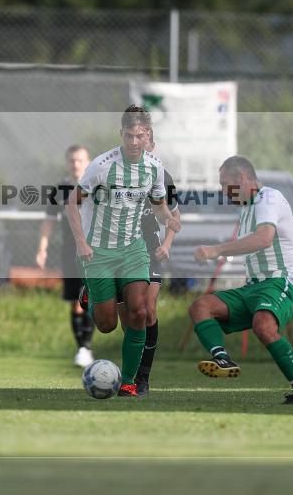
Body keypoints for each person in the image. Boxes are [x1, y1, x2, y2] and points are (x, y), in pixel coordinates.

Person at [66, 106, 181, 398]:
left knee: (140, 312)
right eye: (129, 135)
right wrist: (81, 242)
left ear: (147, 137)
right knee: (106, 324)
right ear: (122, 134)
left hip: (134, 250)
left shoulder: (154, 168)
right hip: (100, 252)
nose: (133, 142)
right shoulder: (102, 166)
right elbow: (72, 202)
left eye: (139, 136)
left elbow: (158, 204)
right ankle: (90, 297)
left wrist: (168, 219)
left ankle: (129, 382)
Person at [189, 156, 293, 405]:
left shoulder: (268, 198)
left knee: (263, 324)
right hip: (254, 287)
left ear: (243, 179)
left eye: (227, 184)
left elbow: (263, 239)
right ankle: (222, 359)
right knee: (200, 307)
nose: (224, 191)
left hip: (282, 283)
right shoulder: (247, 208)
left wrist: (216, 250)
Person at [118, 129, 180, 396]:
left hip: (149, 246)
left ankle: (141, 378)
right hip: (119, 249)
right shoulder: (116, 173)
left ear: (152, 147)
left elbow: (174, 217)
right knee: (126, 320)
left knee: (147, 311)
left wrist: (166, 244)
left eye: (145, 143)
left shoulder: (161, 176)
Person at [35, 144, 95, 367]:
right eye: (72, 160)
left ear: (88, 162)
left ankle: (86, 346)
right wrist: (42, 248)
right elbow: (49, 221)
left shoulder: (97, 187)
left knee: (91, 299)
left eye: (80, 160)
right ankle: (83, 348)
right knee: (76, 302)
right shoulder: (60, 189)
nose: (75, 164)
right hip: (70, 253)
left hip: (96, 253)